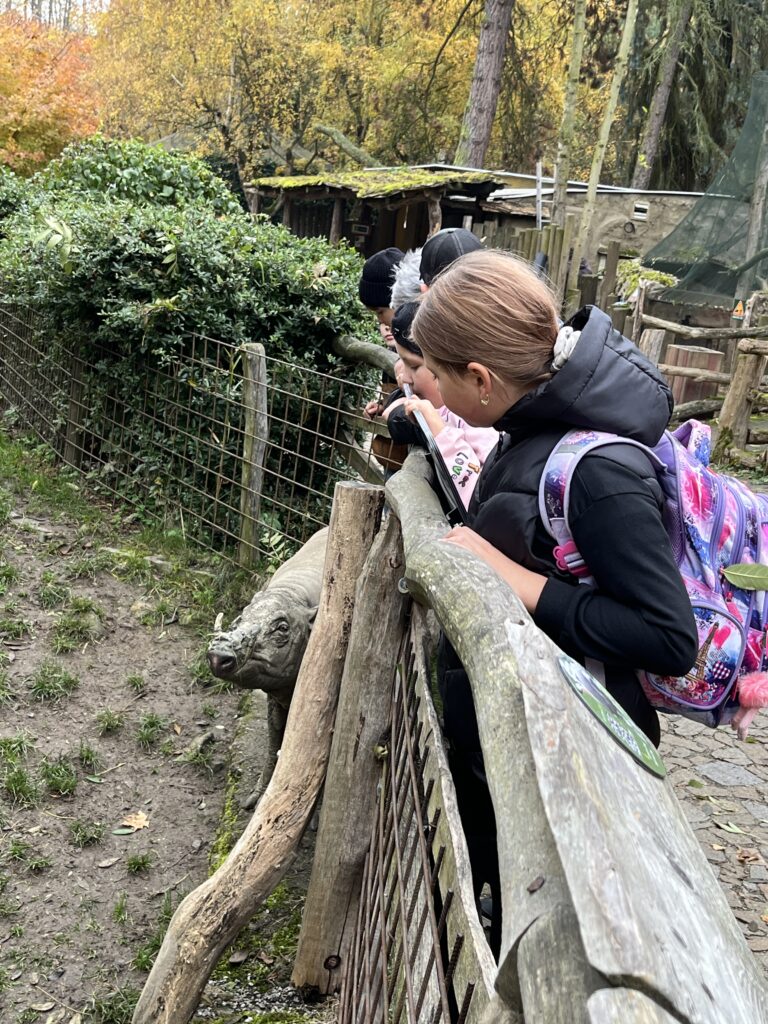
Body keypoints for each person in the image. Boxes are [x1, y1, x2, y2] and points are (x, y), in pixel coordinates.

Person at [410, 249, 698, 956]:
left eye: (439, 375)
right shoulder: (531, 424)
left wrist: (515, 578)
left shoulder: (599, 472)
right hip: (524, 745)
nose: (433, 392)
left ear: (480, 378)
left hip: (579, 764)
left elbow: (668, 637)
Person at [382, 302, 498, 507]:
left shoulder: (481, 421)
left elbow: (480, 500)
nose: (404, 378)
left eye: (414, 366)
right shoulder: (453, 408)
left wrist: (438, 431)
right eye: (402, 364)